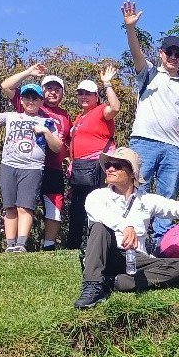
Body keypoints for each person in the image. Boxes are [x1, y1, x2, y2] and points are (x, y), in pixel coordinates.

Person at [74, 148, 179, 309]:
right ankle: (92, 285)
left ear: (132, 173)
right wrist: (126, 226)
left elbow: (176, 209)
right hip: (105, 254)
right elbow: (100, 214)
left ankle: (113, 282)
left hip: (135, 258)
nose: (110, 169)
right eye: (108, 165)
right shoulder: (97, 196)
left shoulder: (146, 199)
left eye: (117, 166)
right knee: (99, 227)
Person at [122, 0, 179, 240]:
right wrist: (131, 28)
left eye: (178, 54)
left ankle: (162, 243)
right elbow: (136, 54)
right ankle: (136, 237)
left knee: (168, 196)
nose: (173, 57)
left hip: (174, 148)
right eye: (170, 52)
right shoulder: (149, 73)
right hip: (144, 141)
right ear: (161, 53)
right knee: (138, 190)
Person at [0, 77, 63, 253]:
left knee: (25, 206)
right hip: (8, 165)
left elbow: (57, 146)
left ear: (41, 101)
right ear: (21, 100)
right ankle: (10, 245)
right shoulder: (11, 116)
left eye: (35, 98)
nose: (30, 101)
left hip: (32, 168)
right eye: (27, 98)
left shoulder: (47, 121)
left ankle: (21, 244)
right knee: (10, 207)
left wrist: (45, 132)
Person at [0, 64, 73, 250]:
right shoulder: (30, 103)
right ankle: (14, 245)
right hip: (26, 165)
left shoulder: (65, 116)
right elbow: (6, 86)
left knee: (54, 206)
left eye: (57, 89)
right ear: (42, 93)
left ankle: (48, 246)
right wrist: (28, 72)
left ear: (63, 93)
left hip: (53, 168)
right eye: (49, 89)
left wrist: (70, 162)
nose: (52, 93)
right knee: (20, 206)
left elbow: (68, 142)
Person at [68, 66, 121, 249]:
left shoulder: (100, 111)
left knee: (98, 204)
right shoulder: (78, 118)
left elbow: (115, 107)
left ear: (96, 96)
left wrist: (107, 83)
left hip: (98, 166)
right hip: (80, 168)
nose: (84, 96)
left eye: (88, 93)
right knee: (78, 206)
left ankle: (101, 243)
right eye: (80, 93)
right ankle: (74, 244)